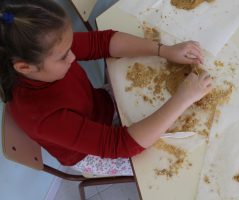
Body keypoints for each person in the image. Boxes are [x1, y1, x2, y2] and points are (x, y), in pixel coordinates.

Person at [0, 0, 212, 176]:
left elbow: (101, 42)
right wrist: (183, 98)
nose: (73, 57)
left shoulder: (47, 48)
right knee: (174, 158)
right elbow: (119, 145)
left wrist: (163, 50)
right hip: (94, 153)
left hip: (100, 107)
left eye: (70, 47)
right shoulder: (42, 117)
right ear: (24, 67)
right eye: (64, 56)